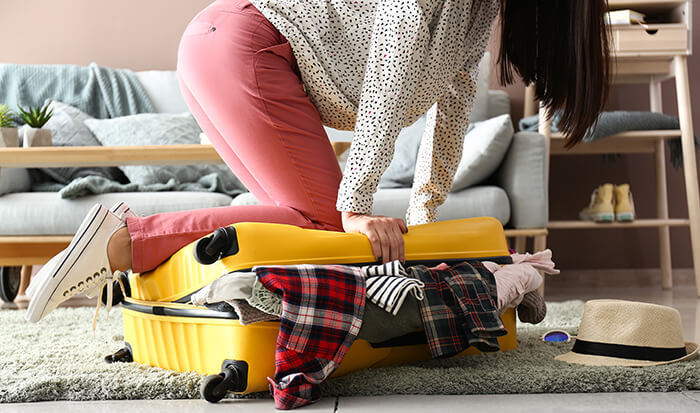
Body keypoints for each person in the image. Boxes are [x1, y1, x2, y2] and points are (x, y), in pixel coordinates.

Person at [26, 0, 610, 322]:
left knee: (293, 225)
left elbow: (451, 108)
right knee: (328, 227)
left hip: (225, 45)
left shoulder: (477, 14)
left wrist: (425, 226)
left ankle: (190, 295)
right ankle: (121, 241)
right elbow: (390, 66)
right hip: (246, 44)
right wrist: (354, 207)